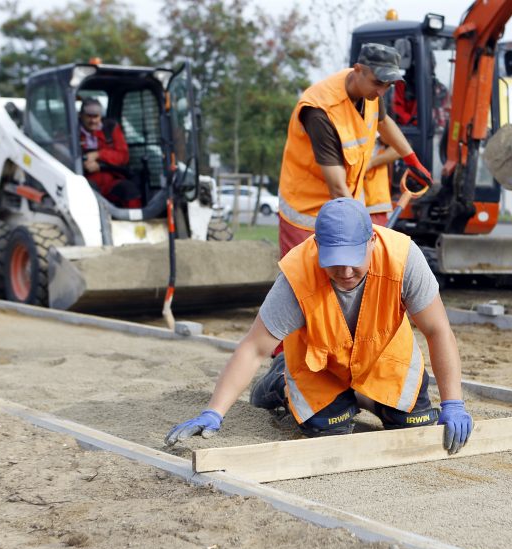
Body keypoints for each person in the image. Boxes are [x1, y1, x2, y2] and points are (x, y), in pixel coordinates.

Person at [165, 197, 473, 455]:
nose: (346, 271)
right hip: (321, 369)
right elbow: (255, 347)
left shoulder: (404, 258)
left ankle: (366, 397)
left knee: (415, 426)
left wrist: (453, 403)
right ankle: (280, 381)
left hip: (385, 362)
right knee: (329, 431)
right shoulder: (298, 273)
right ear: (317, 246)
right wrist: (214, 411)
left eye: (354, 258)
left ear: (372, 241)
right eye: (335, 260)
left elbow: (437, 330)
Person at [276, 42, 432, 257]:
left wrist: (412, 160)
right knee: (304, 283)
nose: (381, 91)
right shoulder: (320, 111)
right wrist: (364, 231)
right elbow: (337, 187)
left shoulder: (372, 94)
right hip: (307, 212)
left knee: (345, 281)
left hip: (344, 204)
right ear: (357, 69)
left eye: (388, 85)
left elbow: (384, 123)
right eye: (377, 83)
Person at [78, 97, 141, 209]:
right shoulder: (72, 132)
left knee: (129, 190)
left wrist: (98, 155)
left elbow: (123, 156)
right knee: (87, 192)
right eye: (89, 116)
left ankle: (136, 223)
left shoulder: (110, 129)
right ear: (81, 115)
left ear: (100, 116)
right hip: (85, 181)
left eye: (96, 116)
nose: (93, 121)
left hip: (111, 181)